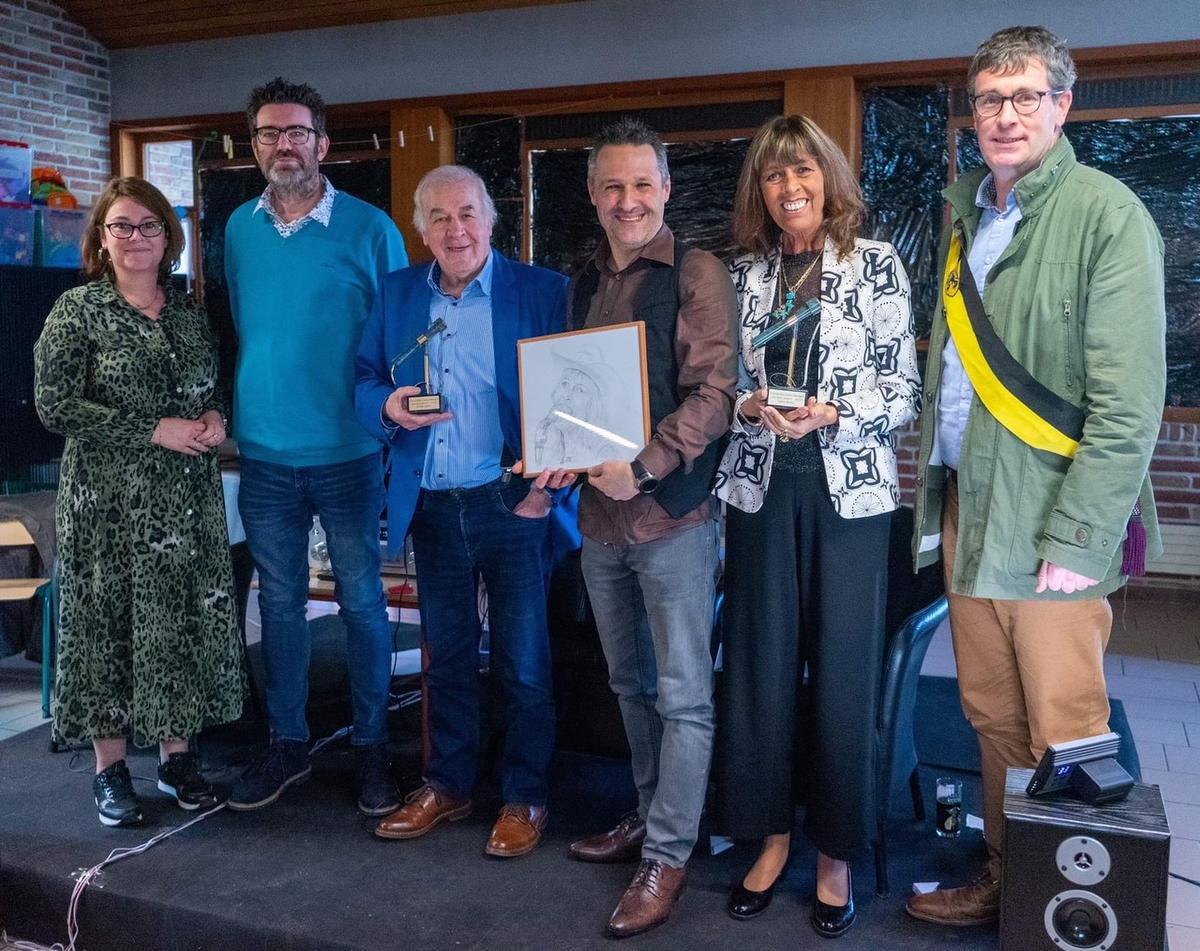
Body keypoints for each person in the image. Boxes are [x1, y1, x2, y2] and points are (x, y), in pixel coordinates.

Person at [907, 26, 1166, 926]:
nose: (1004, 114)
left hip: (1053, 522)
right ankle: (1010, 879)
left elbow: (1129, 405)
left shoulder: (1107, 212)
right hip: (971, 509)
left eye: (1025, 96)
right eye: (988, 99)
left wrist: (1080, 536)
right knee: (991, 714)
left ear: (1063, 103)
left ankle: (1070, 908)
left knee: (1066, 726)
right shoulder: (967, 212)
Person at [714, 114, 921, 938]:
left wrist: (838, 411)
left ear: (827, 178)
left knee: (840, 673)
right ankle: (770, 838)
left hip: (851, 496)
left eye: (802, 172)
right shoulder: (742, 275)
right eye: (773, 176)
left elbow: (902, 388)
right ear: (759, 191)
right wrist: (750, 403)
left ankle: (835, 852)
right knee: (759, 671)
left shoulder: (874, 265)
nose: (789, 188)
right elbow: (720, 380)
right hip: (761, 492)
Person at [354, 165, 572, 857]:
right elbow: (362, 380)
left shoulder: (542, 291)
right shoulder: (395, 295)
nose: (457, 229)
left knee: (525, 661)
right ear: (420, 229)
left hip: (515, 503)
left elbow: (573, 392)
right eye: (440, 217)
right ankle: (448, 784)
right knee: (443, 657)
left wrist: (549, 490)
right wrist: (385, 406)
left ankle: (525, 795)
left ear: (492, 218)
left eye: (468, 213)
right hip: (432, 508)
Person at [566, 118, 738, 938]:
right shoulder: (583, 279)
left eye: (642, 184)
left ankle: (669, 853)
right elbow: (570, 393)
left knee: (684, 698)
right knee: (628, 686)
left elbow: (714, 394)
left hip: (671, 517)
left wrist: (643, 466)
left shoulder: (699, 272)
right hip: (597, 525)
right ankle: (647, 815)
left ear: (665, 188)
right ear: (594, 195)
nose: (628, 200)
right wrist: (556, 451)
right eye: (612, 186)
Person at [34, 177, 245, 827]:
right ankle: (111, 770)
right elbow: (56, 404)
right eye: (120, 226)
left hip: (186, 501)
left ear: (168, 237)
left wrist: (212, 415)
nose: (135, 238)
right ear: (101, 237)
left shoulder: (188, 313)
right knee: (111, 633)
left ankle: (178, 758)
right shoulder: (78, 311)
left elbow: (213, 386)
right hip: (108, 508)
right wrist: (155, 428)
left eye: (148, 225)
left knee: (175, 626)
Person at [223, 77, 409, 816]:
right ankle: (289, 743)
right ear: (255, 145)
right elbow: (247, 322)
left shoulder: (370, 227)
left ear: (323, 144)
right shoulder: (238, 227)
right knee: (281, 607)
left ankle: (371, 748)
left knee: (364, 602)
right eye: (269, 133)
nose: (283, 144)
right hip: (265, 456)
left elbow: (398, 334)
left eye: (297, 132)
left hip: (350, 453)